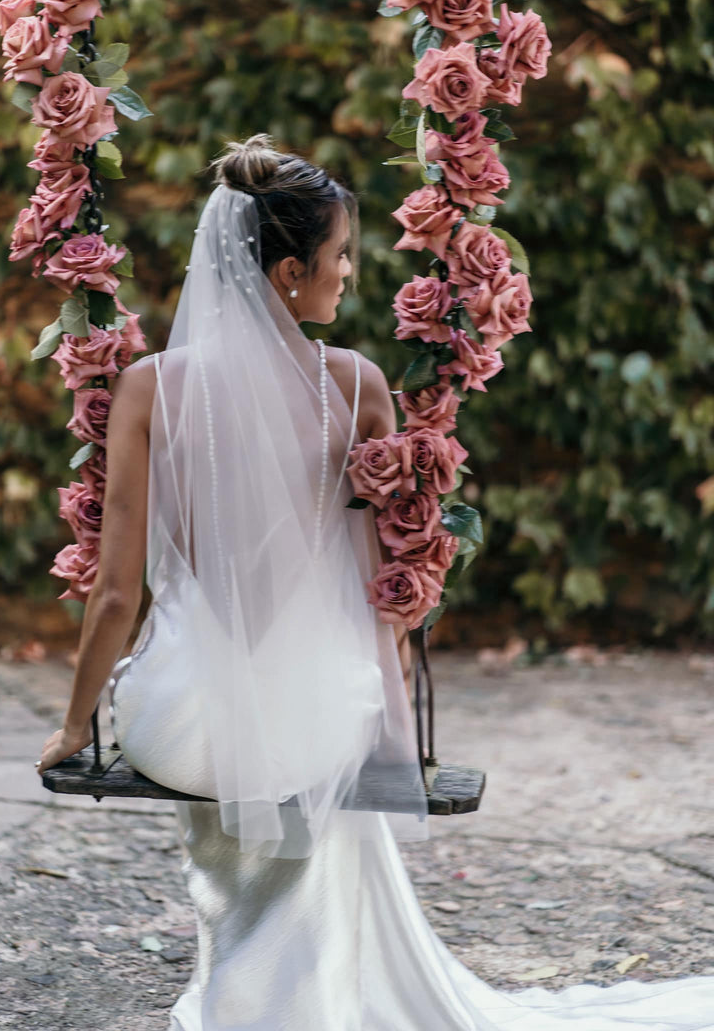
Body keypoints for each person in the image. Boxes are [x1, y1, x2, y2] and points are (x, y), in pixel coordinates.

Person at [37, 136, 714, 1030]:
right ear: (287, 271)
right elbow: (379, 584)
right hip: (313, 719)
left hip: (183, 726)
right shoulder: (353, 385)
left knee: (239, 749)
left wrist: (74, 726)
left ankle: (252, 983)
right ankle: (294, 987)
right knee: (316, 748)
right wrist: (381, 705)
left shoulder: (146, 389)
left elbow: (117, 594)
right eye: (340, 255)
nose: (351, 272)